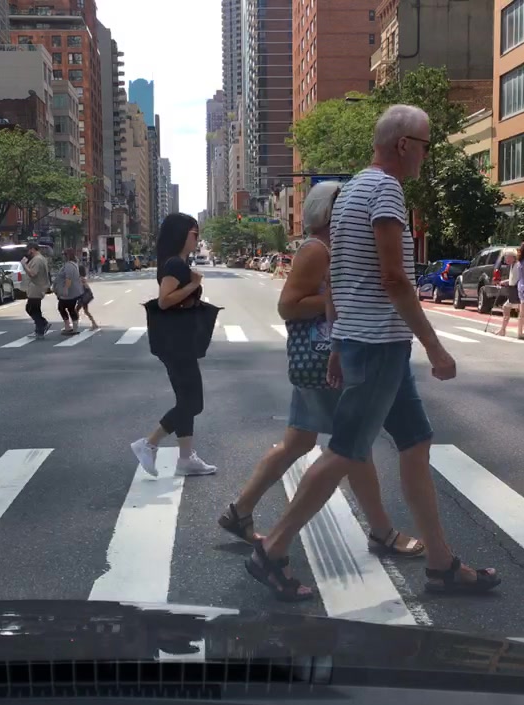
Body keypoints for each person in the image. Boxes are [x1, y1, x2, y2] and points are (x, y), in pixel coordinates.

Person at [242, 104, 500, 601]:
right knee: (346, 450)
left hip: (369, 344)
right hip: (380, 344)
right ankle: (272, 549)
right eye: (425, 144)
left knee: (415, 442)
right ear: (404, 144)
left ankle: (441, 563)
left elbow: (340, 279)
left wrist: (339, 343)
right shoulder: (385, 191)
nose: (426, 154)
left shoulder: (352, 191)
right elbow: (393, 278)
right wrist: (435, 347)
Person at [219, 181, 423, 558]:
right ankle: (381, 532)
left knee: (299, 442)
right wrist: (338, 296)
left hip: (322, 361)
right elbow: (288, 305)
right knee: (353, 446)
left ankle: (239, 511)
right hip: (325, 360)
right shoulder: (318, 249)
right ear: (330, 212)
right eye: (346, 206)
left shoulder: (337, 248)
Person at [129, 213, 217, 478]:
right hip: (177, 343)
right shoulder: (175, 265)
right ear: (181, 234)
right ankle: (149, 443)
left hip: (177, 340)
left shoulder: (176, 262)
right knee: (194, 403)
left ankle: (186, 459)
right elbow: (165, 300)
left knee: (186, 400)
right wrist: (194, 284)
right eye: (194, 233)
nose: (197, 238)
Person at [23, 243, 52, 338]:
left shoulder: (37, 259)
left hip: (36, 287)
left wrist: (24, 265)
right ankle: (39, 329)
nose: (28, 252)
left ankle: (43, 324)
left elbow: (32, 273)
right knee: (35, 309)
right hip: (37, 287)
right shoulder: (41, 258)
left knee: (31, 308)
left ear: (32, 249)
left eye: (28, 250)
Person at [55, 248, 84, 335]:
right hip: (73, 292)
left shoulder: (69, 265)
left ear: (67, 255)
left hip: (69, 293)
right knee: (70, 308)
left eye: (64, 255)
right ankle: (72, 327)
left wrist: (65, 289)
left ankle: (69, 327)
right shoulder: (73, 264)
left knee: (62, 307)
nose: (63, 257)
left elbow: (68, 278)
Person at [76, 264, 99, 329]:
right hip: (84, 297)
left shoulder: (81, 278)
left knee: (77, 310)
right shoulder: (82, 278)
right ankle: (94, 323)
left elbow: (84, 287)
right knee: (85, 311)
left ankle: (76, 324)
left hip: (83, 297)